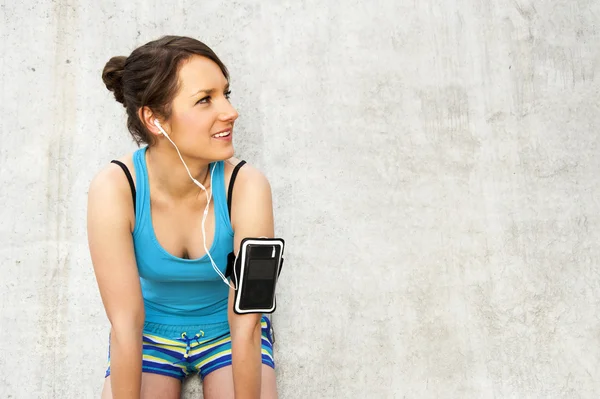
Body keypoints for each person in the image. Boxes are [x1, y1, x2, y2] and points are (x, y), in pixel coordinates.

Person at [87, 35, 278, 399]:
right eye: (205, 99)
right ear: (155, 119)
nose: (230, 112)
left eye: (226, 93)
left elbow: (248, 321)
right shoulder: (115, 189)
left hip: (229, 330)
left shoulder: (249, 186)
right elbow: (125, 324)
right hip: (149, 334)